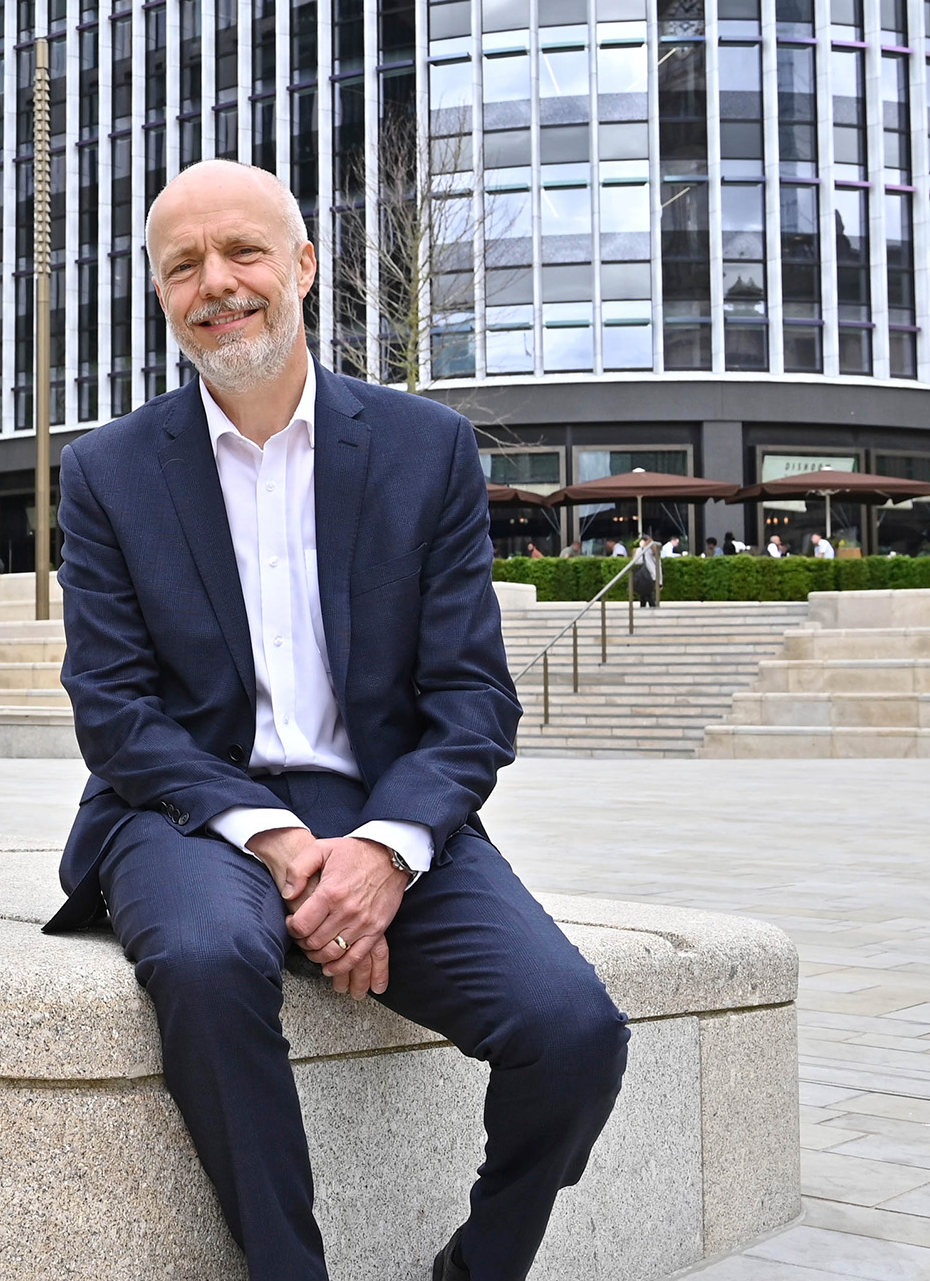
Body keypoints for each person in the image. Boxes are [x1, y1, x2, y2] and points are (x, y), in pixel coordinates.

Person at [45, 161, 627, 1281]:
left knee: (573, 1029)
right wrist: (270, 836)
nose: (216, 284)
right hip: (187, 811)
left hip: (382, 806)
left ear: (304, 265)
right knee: (211, 959)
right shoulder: (108, 472)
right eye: (183, 266)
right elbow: (113, 710)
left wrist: (382, 851)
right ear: (162, 293)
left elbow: (470, 702)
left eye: (244, 253)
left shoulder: (424, 447)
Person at [632, 534, 664, 607]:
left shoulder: (641, 550)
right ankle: (652, 609)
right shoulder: (651, 551)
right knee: (648, 595)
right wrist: (660, 581)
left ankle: (647, 609)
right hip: (652, 575)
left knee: (645, 595)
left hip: (645, 575)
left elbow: (637, 562)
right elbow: (658, 566)